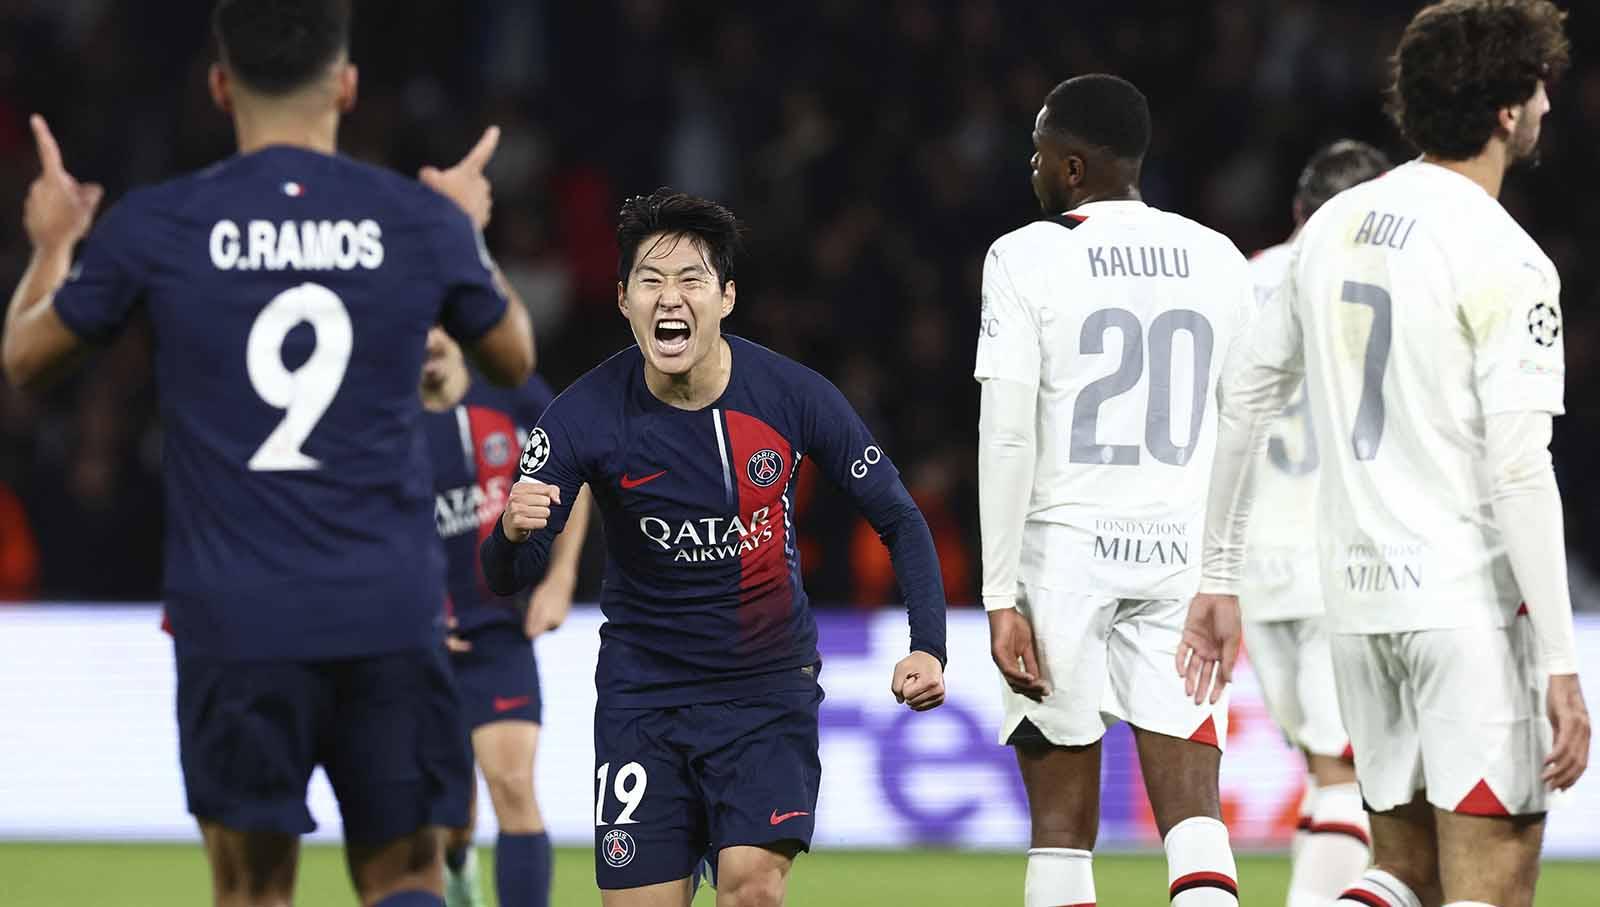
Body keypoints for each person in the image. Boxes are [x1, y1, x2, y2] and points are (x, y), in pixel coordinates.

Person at [0, 1, 535, 904]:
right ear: (348, 84)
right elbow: (513, 354)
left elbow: (23, 359)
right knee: (408, 873)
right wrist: (464, 229)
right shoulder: (414, 220)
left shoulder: (159, 222)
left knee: (251, 891)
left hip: (236, 618)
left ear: (219, 86)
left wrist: (54, 246)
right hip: (388, 608)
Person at [1184, 2, 1589, 905]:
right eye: (1539, 89)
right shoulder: (1508, 258)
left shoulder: (1330, 227)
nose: (1549, 108)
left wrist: (1217, 574)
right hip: (1464, 607)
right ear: (1505, 111)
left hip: (1358, 607)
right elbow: (1522, 470)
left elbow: (1244, 395)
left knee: (1401, 871)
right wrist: (1562, 662)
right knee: (1494, 879)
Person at [482, 188, 948, 907]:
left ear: (726, 297)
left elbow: (899, 518)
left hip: (764, 688)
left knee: (751, 888)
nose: (671, 297)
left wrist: (929, 644)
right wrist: (511, 532)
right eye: (651, 281)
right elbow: (508, 573)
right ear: (623, 300)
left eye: (691, 278)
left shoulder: (793, 396)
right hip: (644, 696)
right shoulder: (580, 415)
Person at [976, 73, 1255, 907]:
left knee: (1062, 829)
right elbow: (1244, 427)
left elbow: (1009, 431)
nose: (1030, 167)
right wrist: (1223, 573)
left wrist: (998, 592)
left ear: (1070, 167)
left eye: (1037, 153)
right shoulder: (1218, 257)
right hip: (1177, 552)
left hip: (1062, 555)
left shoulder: (1023, 255)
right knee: (1196, 816)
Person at [1241, 139, 1391, 907]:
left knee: (1321, 768)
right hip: (1343, 561)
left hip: (1252, 563)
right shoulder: (1374, 286)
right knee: (1346, 772)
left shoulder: (1243, 279)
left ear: (1299, 209)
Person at [418, 326, 592, 907]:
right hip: (425, 644)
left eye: (438, 325)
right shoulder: (386, 421)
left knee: (514, 786)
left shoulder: (513, 394)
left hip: (502, 632)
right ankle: (458, 866)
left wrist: (562, 577)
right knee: (450, 818)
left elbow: (577, 470)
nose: (428, 340)